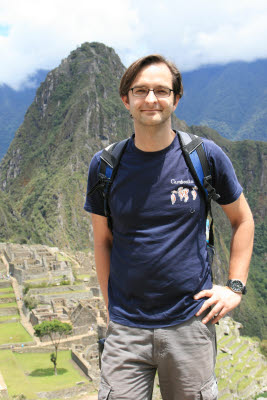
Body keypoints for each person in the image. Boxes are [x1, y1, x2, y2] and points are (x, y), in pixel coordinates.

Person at [84, 55, 254, 400]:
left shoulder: (204, 157)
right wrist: (110, 307)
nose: (151, 99)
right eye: (141, 90)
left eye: (161, 91)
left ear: (176, 98)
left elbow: (243, 220)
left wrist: (235, 287)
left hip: (190, 324)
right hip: (126, 329)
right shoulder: (104, 167)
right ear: (126, 99)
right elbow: (103, 241)